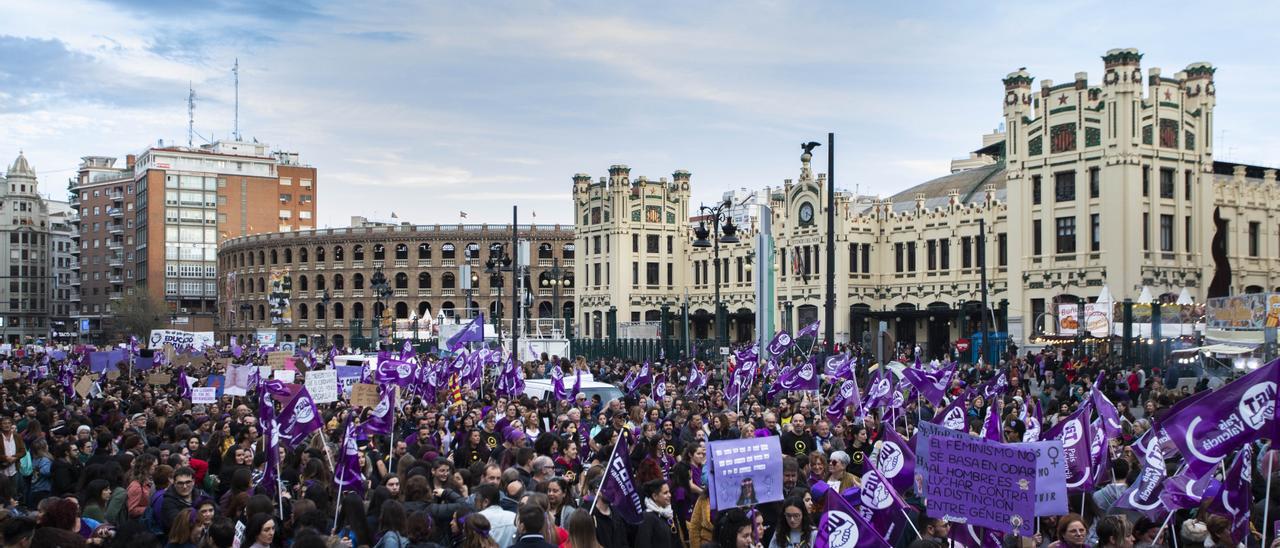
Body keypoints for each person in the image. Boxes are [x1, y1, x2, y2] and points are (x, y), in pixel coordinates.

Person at [635, 479, 682, 548]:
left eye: (669, 492)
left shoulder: (669, 513)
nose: (670, 495)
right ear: (655, 496)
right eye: (665, 493)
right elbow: (644, 544)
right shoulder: (647, 517)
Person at [475, 483, 517, 548]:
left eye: (476, 500)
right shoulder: (514, 517)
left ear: (485, 502)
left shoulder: (477, 519)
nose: (475, 504)